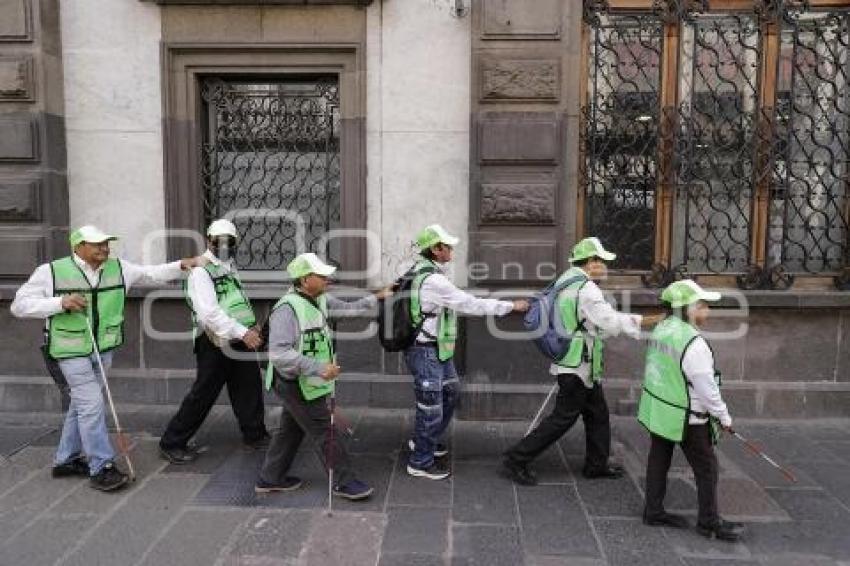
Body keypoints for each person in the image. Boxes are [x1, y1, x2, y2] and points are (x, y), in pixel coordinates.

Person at [10, 225, 205, 491]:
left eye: (106, 243)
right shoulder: (50, 272)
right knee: (91, 405)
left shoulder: (119, 267)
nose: (104, 248)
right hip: (69, 349)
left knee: (82, 405)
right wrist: (58, 303)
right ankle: (102, 466)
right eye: (96, 244)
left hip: (103, 348)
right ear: (78, 247)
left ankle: (65, 459)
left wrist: (183, 265)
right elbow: (19, 305)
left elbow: (151, 273)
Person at [503, 237, 663, 485]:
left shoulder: (566, 279)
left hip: (578, 362)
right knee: (563, 418)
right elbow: (609, 321)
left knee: (597, 413)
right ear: (591, 262)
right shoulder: (587, 289)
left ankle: (596, 464)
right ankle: (517, 458)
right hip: (577, 364)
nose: (605, 267)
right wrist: (646, 321)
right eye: (602, 262)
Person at [256, 252, 391, 500]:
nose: (328, 279)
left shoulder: (321, 299)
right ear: (305, 279)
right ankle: (345, 481)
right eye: (322, 276)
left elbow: (348, 311)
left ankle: (270, 477)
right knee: (323, 429)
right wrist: (319, 368)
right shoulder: (286, 310)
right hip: (293, 381)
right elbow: (279, 354)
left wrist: (375, 297)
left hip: (306, 379)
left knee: (292, 428)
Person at [405, 224, 529, 480]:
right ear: (435, 249)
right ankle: (420, 462)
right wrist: (510, 306)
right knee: (431, 407)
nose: (451, 250)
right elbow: (471, 304)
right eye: (447, 246)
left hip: (438, 349)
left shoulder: (419, 270)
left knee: (451, 392)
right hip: (426, 350)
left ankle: (424, 441)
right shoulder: (434, 280)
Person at [639, 279, 744, 542]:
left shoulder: (663, 328)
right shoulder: (694, 343)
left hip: (661, 409)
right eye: (703, 305)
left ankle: (653, 511)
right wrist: (723, 416)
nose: (707, 310)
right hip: (688, 416)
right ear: (688, 309)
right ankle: (709, 522)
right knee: (707, 467)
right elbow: (707, 389)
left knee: (658, 460)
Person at [159, 219, 270, 463]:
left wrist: (249, 326)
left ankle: (255, 435)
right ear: (209, 240)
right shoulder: (200, 271)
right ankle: (172, 442)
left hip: (239, 336)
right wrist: (244, 332)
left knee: (248, 386)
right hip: (214, 341)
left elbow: (234, 301)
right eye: (219, 241)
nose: (224, 245)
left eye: (229, 241)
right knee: (204, 393)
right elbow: (209, 313)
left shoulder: (229, 266)